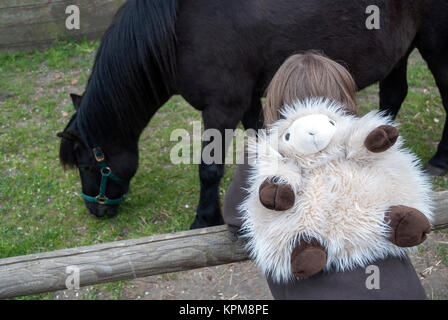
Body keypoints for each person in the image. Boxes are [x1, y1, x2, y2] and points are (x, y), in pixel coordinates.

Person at [223, 52, 427, 299]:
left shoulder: (264, 156)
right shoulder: (365, 139)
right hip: (402, 290)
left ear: (276, 104)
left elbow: (235, 219)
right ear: (345, 98)